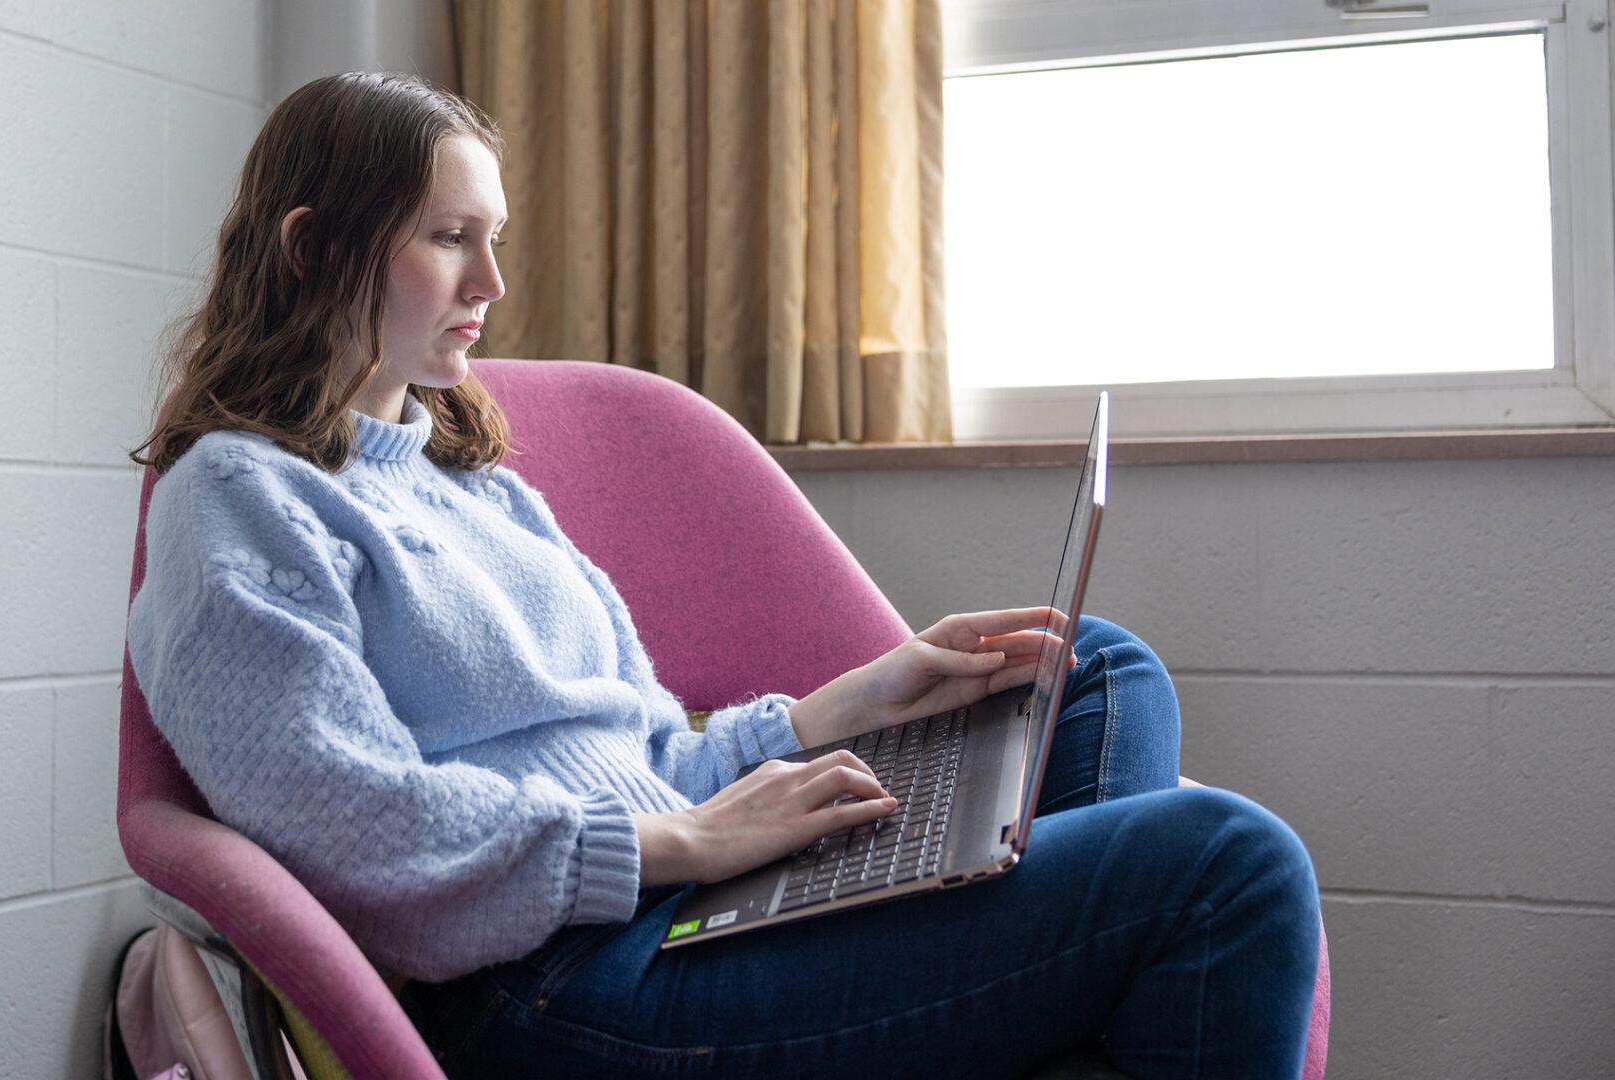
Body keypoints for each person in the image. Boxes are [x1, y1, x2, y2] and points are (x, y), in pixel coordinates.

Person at [125, 71, 1321, 1079]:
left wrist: (841, 708)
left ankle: (1035, 998)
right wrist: (683, 848)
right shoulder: (236, 500)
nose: (492, 282)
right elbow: (356, 828)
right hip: (558, 990)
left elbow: (642, 757)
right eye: (450, 239)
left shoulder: (468, 480)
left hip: (665, 895)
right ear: (313, 247)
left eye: (495, 238)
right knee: (1229, 866)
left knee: (1094, 669)